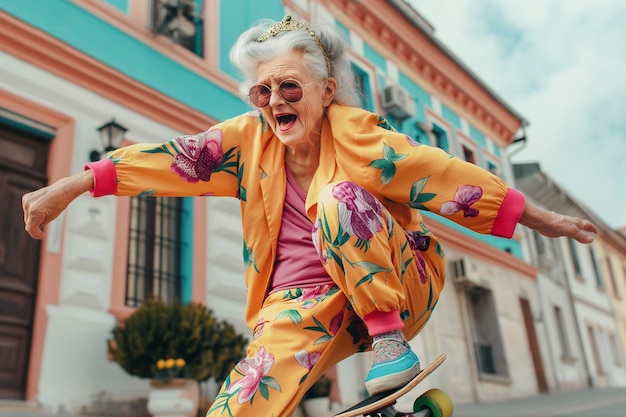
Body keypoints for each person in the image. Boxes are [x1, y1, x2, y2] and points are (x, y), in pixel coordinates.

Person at [22, 14, 597, 417]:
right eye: (262, 92)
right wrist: (71, 186)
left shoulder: (360, 136)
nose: (275, 103)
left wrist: (539, 219)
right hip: (300, 303)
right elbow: (171, 160)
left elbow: (444, 172)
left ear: (327, 92)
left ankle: (391, 350)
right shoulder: (247, 142)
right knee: (242, 401)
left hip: (398, 283)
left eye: (290, 88)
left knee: (339, 201)